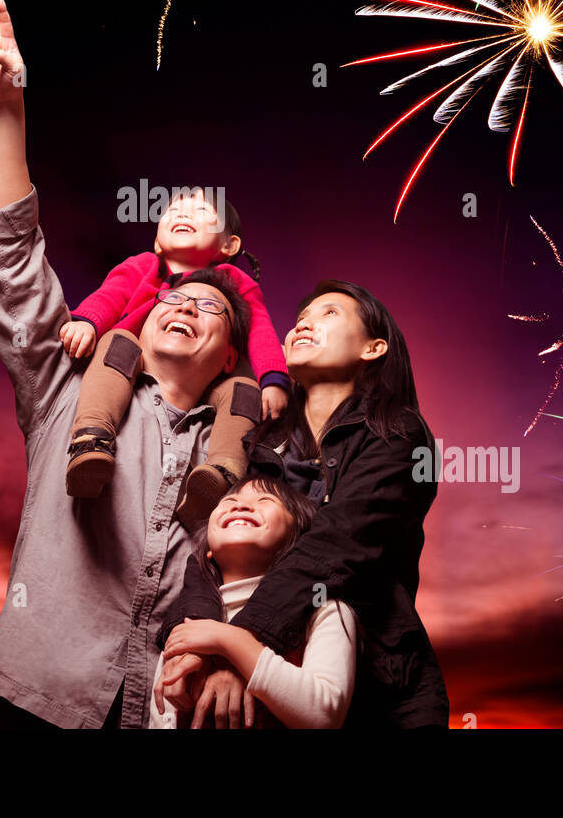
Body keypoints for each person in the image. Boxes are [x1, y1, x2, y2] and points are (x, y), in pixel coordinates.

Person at [0, 0, 252, 728]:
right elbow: (12, 264)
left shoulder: (248, 448)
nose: (188, 307)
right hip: (38, 702)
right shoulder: (68, 389)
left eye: (213, 308)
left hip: (163, 715)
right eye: (174, 302)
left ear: (230, 356)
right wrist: (8, 114)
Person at [155, 281, 450, 729]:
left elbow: (337, 545)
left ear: (373, 348)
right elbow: (209, 548)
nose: (304, 323)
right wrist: (191, 641)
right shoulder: (263, 442)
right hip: (271, 687)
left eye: (329, 313)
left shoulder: (399, 434)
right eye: (301, 317)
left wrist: (238, 647)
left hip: (377, 691)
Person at [61, 187, 290, 528]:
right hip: (138, 362)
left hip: (210, 380)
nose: (182, 214)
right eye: (173, 210)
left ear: (229, 246)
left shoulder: (236, 281)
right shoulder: (142, 266)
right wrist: (87, 322)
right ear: (157, 241)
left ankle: (220, 475)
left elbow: (259, 330)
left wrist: (274, 378)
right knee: (118, 341)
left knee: (242, 388)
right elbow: (111, 294)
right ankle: (92, 439)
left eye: (200, 211)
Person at [149, 476, 358, 729]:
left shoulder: (324, 609)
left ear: (299, 543)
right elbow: (163, 715)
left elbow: (324, 715)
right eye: (229, 501)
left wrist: (231, 641)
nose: (240, 506)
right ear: (208, 551)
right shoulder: (186, 621)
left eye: (265, 500)